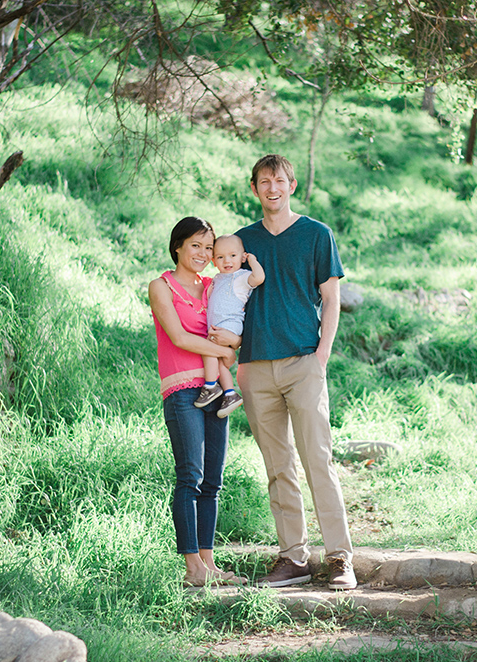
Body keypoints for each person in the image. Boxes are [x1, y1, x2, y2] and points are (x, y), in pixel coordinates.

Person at [210, 154, 356, 590]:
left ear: (291, 185)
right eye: (263, 181)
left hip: (303, 362)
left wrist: (321, 357)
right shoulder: (240, 242)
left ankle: (338, 558)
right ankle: (293, 557)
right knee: (278, 466)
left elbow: (331, 300)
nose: (272, 187)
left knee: (318, 459)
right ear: (253, 188)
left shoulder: (316, 235)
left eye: (279, 180)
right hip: (255, 367)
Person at [149, 217, 246, 587]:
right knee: (191, 476)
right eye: (196, 246)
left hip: (216, 389)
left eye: (209, 248)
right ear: (178, 246)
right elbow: (179, 337)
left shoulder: (215, 285)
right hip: (182, 390)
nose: (204, 254)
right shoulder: (161, 286)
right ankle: (192, 568)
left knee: (213, 481)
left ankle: (209, 563)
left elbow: (232, 331)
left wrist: (232, 346)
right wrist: (223, 350)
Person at [193, 234, 266, 418]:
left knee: (208, 349)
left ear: (242, 257)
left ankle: (210, 386)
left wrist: (253, 260)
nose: (227, 261)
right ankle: (229, 393)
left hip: (230, 325)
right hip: (218, 326)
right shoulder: (218, 278)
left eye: (233, 256)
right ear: (214, 261)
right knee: (219, 363)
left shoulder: (241, 277)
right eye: (220, 257)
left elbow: (258, 278)